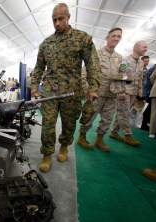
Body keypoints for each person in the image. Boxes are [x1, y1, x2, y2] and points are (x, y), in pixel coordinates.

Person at [31, 3, 100, 173]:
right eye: (54, 20)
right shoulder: (46, 44)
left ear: (68, 17)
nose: (57, 23)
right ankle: (47, 154)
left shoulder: (82, 39)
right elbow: (39, 67)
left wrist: (93, 88)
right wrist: (34, 87)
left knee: (69, 124)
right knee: (47, 124)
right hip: (50, 91)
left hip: (72, 91)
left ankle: (63, 146)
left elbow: (93, 64)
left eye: (60, 19)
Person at [78, 27, 123, 152]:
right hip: (96, 93)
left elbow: (123, 75)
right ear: (107, 37)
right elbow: (83, 73)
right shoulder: (96, 54)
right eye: (113, 35)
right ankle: (82, 137)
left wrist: (121, 89)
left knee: (107, 119)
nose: (116, 38)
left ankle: (99, 140)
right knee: (89, 116)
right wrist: (88, 90)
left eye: (119, 36)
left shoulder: (120, 58)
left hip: (112, 95)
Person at [110, 41, 148, 146]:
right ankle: (128, 135)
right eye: (144, 47)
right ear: (136, 47)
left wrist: (140, 91)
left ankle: (114, 132)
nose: (146, 49)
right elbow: (120, 76)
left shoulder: (141, 62)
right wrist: (121, 91)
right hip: (125, 91)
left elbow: (140, 78)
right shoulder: (125, 60)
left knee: (123, 112)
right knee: (124, 113)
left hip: (133, 93)